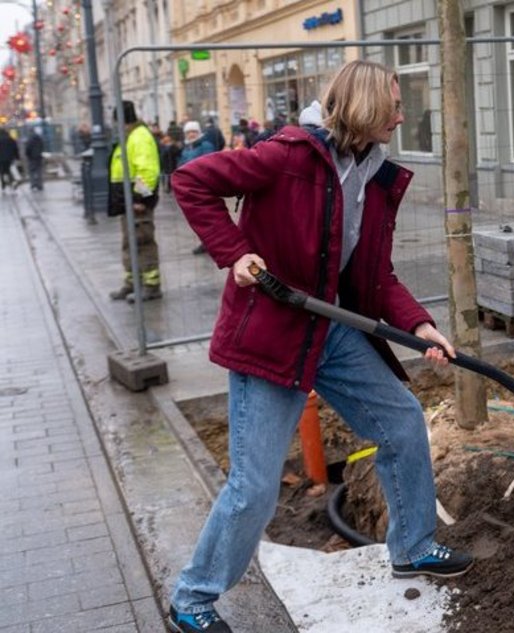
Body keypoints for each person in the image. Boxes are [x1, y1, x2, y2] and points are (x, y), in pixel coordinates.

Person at [168, 60, 473, 633]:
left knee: (403, 421)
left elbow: (375, 276)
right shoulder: (285, 158)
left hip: (330, 330)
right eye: (394, 103)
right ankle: (193, 597)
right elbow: (191, 181)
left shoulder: (374, 174)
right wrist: (234, 253)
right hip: (273, 333)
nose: (403, 115)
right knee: (255, 486)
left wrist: (420, 325)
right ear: (364, 107)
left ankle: (412, 546)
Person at [107, 100, 163, 303]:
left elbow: (147, 171)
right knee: (129, 243)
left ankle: (151, 285)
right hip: (128, 201)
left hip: (137, 203)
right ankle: (133, 282)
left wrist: (141, 198)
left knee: (142, 242)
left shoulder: (139, 137)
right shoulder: (131, 136)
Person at [178, 120, 216, 255]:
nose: (191, 134)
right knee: (198, 218)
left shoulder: (206, 145)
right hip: (190, 187)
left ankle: (212, 243)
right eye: (188, 132)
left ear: (199, 132)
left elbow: (210, 164)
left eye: (194, 131)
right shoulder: (187, 148)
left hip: (203, 186)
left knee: (208, 216)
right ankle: (206, 242)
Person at [25, 126, 44, 191]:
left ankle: (33, 184)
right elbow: (42, 147)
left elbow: (28, 149)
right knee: (39, 171)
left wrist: (28, 155)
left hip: (32, 158)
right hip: (39, 157)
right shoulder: (39, 138)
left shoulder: (30, 139)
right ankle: (40, 185)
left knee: (32, 171)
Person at [0, 128, 18, 193]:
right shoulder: (11, 139)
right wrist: (17, 157)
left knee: (2, 172)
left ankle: (4, 185)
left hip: (1, 159)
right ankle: (12, 182)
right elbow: (15, 148)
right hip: (10, 158)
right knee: (8, 170)